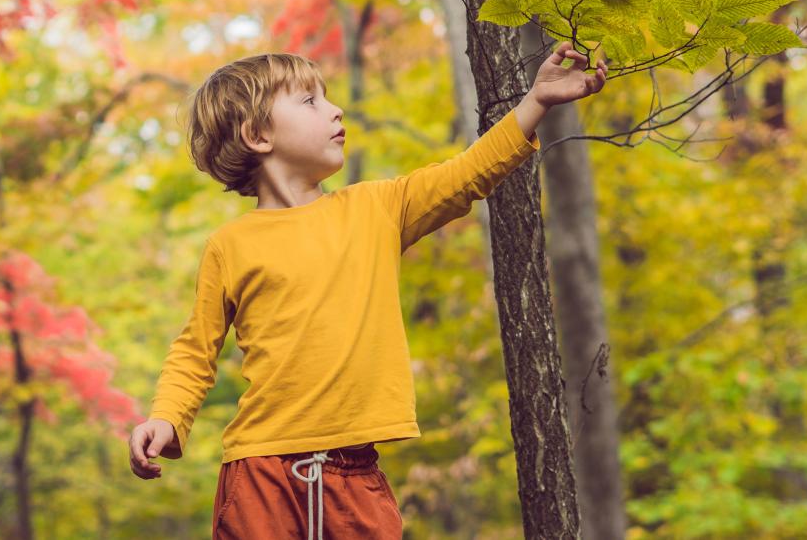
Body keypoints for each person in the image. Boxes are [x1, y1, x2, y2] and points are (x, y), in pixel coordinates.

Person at [128, 41, 607, 539]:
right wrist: (166, 419)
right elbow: (193, 352)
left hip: (355, 475)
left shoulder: (376, 208)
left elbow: (467, 174)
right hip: (260, 475)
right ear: (257, 135)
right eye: (310, 101)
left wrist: (538, 102)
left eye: (327, 96)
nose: (335, 110)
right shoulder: (229, 245)